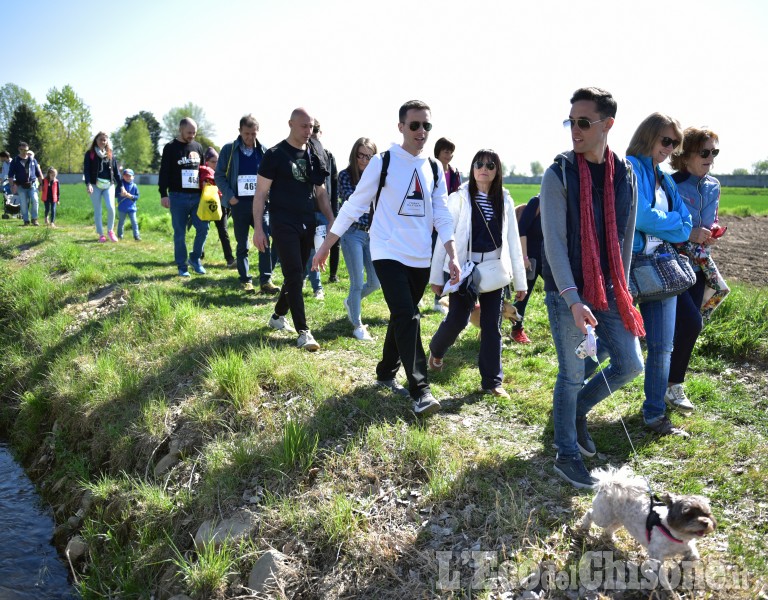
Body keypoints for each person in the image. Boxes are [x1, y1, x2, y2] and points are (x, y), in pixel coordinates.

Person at [313, 99, 461, 416]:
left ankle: (385, 372)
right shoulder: (385, 162)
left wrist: (451, 253)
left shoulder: (434, 168)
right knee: (408, 316)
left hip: (420, 257)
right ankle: (420, 389)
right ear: (401, 127)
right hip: (386, 250)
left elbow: (442, 214)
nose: (421, 131)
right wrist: (327, 244)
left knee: (400, 316)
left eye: (427, 126)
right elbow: (354, 205)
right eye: (415, 125)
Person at [540, 87, 645, 489]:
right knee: (570, 375)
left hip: (610, 289)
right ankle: (566, 454)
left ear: (608, 125)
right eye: (571, 121)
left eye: (583, 122)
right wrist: (572, 299)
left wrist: (623, 289)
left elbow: (625, 236)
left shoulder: (627, 175)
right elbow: (554, 244)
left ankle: (573, 413)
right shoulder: (559, 173)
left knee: (630, 364)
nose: (575, 130)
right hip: (568, 292)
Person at [428, 149, 527, 398]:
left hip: (494, 268)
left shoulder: (504, 200)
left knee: (492, 325)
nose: (484, 168)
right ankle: (436, 350)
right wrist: (436, 277)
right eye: (479, 164)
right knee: (458, 319)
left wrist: (520, 281)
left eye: (490, 165)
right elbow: (445, 238)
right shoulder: (459, 198)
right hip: (465, 270)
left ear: (497, 171)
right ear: (472, 168)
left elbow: (513, 241)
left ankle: (493, 381)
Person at [623, 113, 693, 438]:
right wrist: (670, 222)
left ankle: (654, 416)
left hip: (661, 267)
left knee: (662, 347)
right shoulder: (630, 167)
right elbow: (638, 216)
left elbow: (687, 223)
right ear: (649, 135)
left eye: (674, 144)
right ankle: (573, 404)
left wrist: (664, 222)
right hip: (630, 264)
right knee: (613, 347)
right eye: (666, 140)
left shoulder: (664, 177)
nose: (669, 149)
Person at [252, 108, 335, 351]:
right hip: (282, 222)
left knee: (297, 276)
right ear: (290, 124)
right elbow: (260, 194)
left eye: (311, 126)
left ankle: (277, 317)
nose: (308, 131)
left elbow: (320, 191)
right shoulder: (275, 154)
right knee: (294, 274)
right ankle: (304, 332)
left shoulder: (314, 153)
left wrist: (331, 219)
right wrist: (259, 228)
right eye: (303, 126)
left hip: (307, 221)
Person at [667, 126, 724, 412]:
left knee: (691, 325)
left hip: (700, 263)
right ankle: (667, 385)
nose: (710, 157)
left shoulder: (714, 185)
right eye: (705, 152)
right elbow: (659, 224)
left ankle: (671, 386)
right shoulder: (669, 183)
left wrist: (712, 231)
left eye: (715, 151)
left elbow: (711, 218)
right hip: (671, 263)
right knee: (689, 323)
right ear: (686, 154)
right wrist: (688, 233)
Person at [215, 114, 279, 293]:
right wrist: (230, 197)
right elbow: (218, 175)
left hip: (260, 205)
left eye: (253, 134)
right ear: (240, 132)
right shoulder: (229, 150)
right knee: (242, 244)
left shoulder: (265, 151)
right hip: (239, 205)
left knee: (264, 240)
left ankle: (266, 280)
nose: (250, 138)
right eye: (246, 134)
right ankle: (245, 280)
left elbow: (273, 177)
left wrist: (269, 197)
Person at [337, 137, 381, 341]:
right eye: (361, 155)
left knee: (375, 282)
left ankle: (351, 303)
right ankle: (357, 325)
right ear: (354, 155)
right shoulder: (345, 175)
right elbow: (354, 200)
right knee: (356, 282)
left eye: (369, 156)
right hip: (351, 232)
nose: (364, 160)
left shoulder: (376, 178)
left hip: (370, 234)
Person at [159, 118, 208, 277]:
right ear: (181, 130)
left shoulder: (198, 147)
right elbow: (164, 172)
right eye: (189, 133)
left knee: (203, 228)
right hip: (177, 196)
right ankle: (182, 266)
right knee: (180, 233)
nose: (192, 136)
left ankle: (194, 258)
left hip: (197, 197)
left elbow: (204, 171)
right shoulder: (170, 148)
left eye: (194, 132)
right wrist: (163, 194)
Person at [430, 137, 462, 314]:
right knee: (426, 261)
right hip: (429, 224)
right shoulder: (429, 169)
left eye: (451, 152)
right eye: (445, 152)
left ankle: (439, 299)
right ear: (438, 152)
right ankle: (417, 296)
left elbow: (457, 197)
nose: (449, 155)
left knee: (444, 261)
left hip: (446, 224)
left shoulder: (455, 173)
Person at [512, 194, 543, 343]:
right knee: (522, 295)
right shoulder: (537, 202)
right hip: (531, 260)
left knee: (560, 293)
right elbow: (521, 229)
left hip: (549, 260)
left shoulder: (561, 205)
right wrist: (524, 258)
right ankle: (516, 330)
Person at [84, 132, 122, 241]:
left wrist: (121, 186)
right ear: (96, 140)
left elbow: (116, 172)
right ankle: (101, 234)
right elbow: (86, 170)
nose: (103, 142)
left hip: (108, 185)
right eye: (100, 139)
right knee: (98, 210)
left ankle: (110, 231)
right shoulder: (90, 154)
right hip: (95, 185)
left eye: (105, 140)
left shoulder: (110, 154)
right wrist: (88, 184)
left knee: (111, 207)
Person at [202, 148, 235, 267]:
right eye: (213, 161)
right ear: (206, 161)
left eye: (217, 161)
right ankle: (199, 255)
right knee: (203, 230)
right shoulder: (203, 172)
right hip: (206, 205)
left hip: (221, 205)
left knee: (223, 231)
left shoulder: (223, 172)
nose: (216, 164)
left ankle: (230, 259)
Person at [8, 141, 43, 226]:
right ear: (19, 149)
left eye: (25, 150)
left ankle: (34, 219)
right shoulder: (15, 161)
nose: (24, 152)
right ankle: (26, 220)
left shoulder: (33, 160)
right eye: (22, 150)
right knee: (23, 203)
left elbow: (38, 174)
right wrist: (12, 185)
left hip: (32, 184)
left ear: (28, 150)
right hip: (21, 185)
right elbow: (10, 175)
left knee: (35, 200)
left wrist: (42, 184)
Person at [117, 168, 141, 240]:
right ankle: (119, 235)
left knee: (134, 222)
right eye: (126, 175)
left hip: (132, 208)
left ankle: (136, 236)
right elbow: (115, 194)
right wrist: (120, 194)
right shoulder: (120, 185)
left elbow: (137, 197)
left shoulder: (134, 186)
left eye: (129, 176)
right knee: (121, 222)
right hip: (122, 208)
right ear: (123, 176)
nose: (128, 177)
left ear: (133, 177)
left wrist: (131, 196)